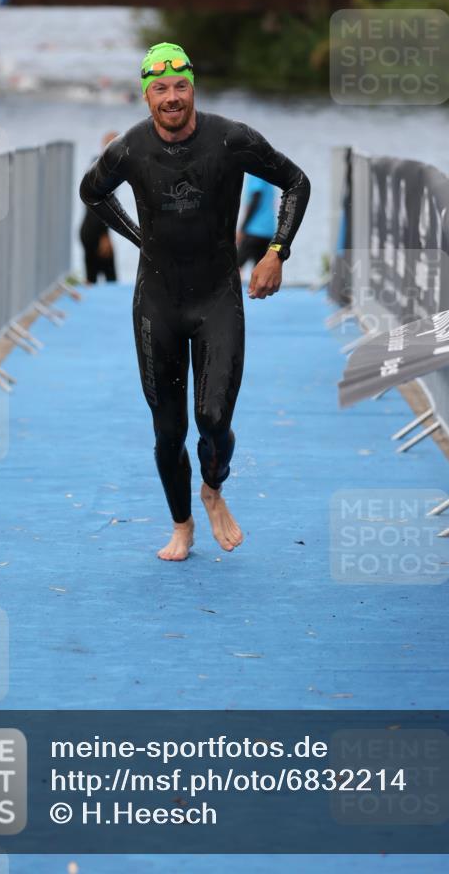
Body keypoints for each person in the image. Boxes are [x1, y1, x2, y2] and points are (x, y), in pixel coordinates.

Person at [80, 43, 310, 561]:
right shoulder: (129, 149)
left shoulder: (231, 139)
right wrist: (138, 238)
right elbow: (91, 192)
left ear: (193, 89)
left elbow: (296, 180)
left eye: (180, 86)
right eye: (160, 89)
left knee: (212, 420)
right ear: (146, 96)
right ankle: (181, 526)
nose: (171, 97)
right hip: (157, 301)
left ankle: (213, 488)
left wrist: (276, 252)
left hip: (217, 296)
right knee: (168, 431)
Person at [79, 131, 118, 283]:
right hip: (93, 231)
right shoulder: (103, 168)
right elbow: (96, 204)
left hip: (90, 229)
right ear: (103, 145)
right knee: (110, 278)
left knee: (93, 277)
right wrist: (104, 236)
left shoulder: (100, 163)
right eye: (109, 143)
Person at [237, 174, 278, 269]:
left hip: (255, 230)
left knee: (235, 267)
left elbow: (256, 199)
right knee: (259, 269)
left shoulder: (256, 173)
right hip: (268, 230)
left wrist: (242, 228)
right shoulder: (267, 174)